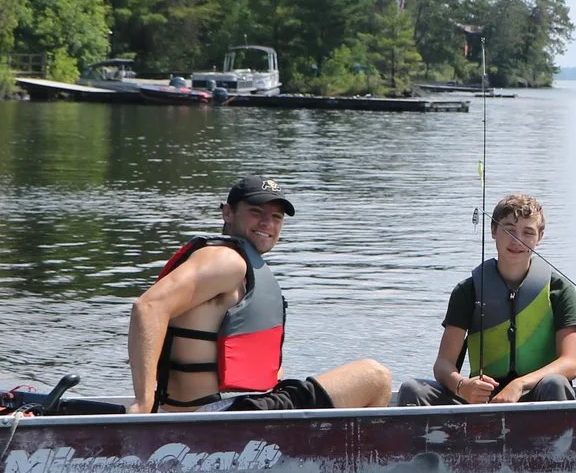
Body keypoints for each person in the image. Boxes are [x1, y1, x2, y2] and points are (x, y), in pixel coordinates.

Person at [125, 176, 393, 412]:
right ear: (227, 213)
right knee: (374, 376)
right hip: (217, 415)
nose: (267, 222)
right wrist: (143, 403)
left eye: (276, 217)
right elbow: (148, 307)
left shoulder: (235, 263)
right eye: (256, 212)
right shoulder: (226, 260)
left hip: (233, 409)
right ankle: (353, 466)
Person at [395, 193, 576, 406]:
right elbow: (443, 364)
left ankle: (554, 439)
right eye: (509, 230)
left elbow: (570, 363)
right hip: (481, 398)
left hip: (536, 395)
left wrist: (520, 384)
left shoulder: (559, 290)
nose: (517, 240)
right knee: (412, 389)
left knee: (556, 384)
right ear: (494, 230)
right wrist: (462, 386)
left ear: (539, 237)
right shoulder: (467, 291)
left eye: (528, 232)